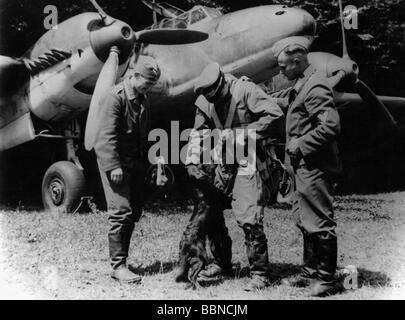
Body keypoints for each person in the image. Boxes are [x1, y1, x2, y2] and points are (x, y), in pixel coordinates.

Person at [182, 63, 284, 291]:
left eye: (217, 96)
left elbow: (275, 115)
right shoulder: (204, 102)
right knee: (212, 210)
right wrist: (191, 160)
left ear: (223, 83)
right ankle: (221, 262)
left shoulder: (245, 90)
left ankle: (260, 273)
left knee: (248, 215)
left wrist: (244, 133)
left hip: (250, 160)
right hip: (224, 162)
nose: (214, 102)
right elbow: (199, 132)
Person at [270, 36, 343, 297]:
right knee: (304, 218)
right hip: (303, 166)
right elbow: (292, 108)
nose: (280, 71)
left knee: (320, 220)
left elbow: (330, 126)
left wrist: (301, 143)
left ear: (298, 61)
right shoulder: (302, 83)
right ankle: (310, 272)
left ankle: (326, 279)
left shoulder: (316, 86)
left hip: (315, 165)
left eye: (283, 66)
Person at [94, 56, 161, 283]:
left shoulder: (143, 99)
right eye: (147, 83)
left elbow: (144, 135)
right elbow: (105, 136)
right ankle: (118, 266)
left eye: (151, 84)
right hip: (116, 164)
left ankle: (122, 261)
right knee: (120, 212)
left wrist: (152, 163)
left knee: (133, 212)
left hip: (135, 164)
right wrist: (113, 166)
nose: (148, 87)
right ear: (135, 75)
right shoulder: (115, 98)